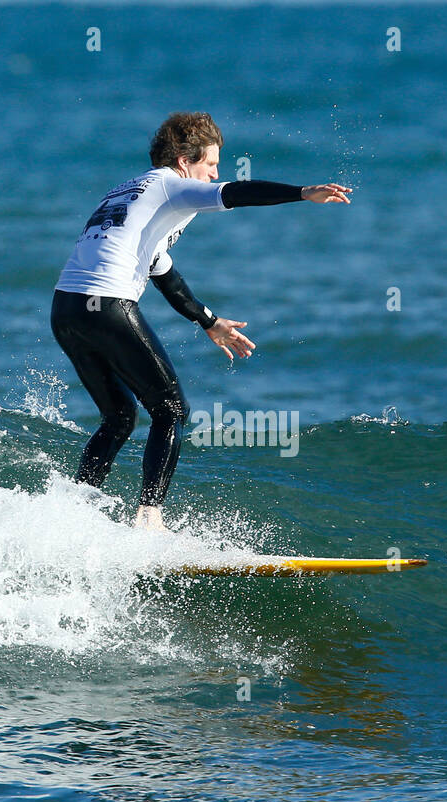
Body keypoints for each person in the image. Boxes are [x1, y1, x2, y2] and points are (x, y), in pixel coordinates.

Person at [51, 111, 351, 530]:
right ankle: (149, 517)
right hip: (108, 301)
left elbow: (163, 274)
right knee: (170, 409)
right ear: (182, 160)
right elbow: (238, 193)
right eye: (209, 164)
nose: (213, 174)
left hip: (66, 309)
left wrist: (209, 321)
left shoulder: (126, 191)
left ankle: (71, 514)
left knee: (119, 417)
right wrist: (303, 193)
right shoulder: (172, 187)